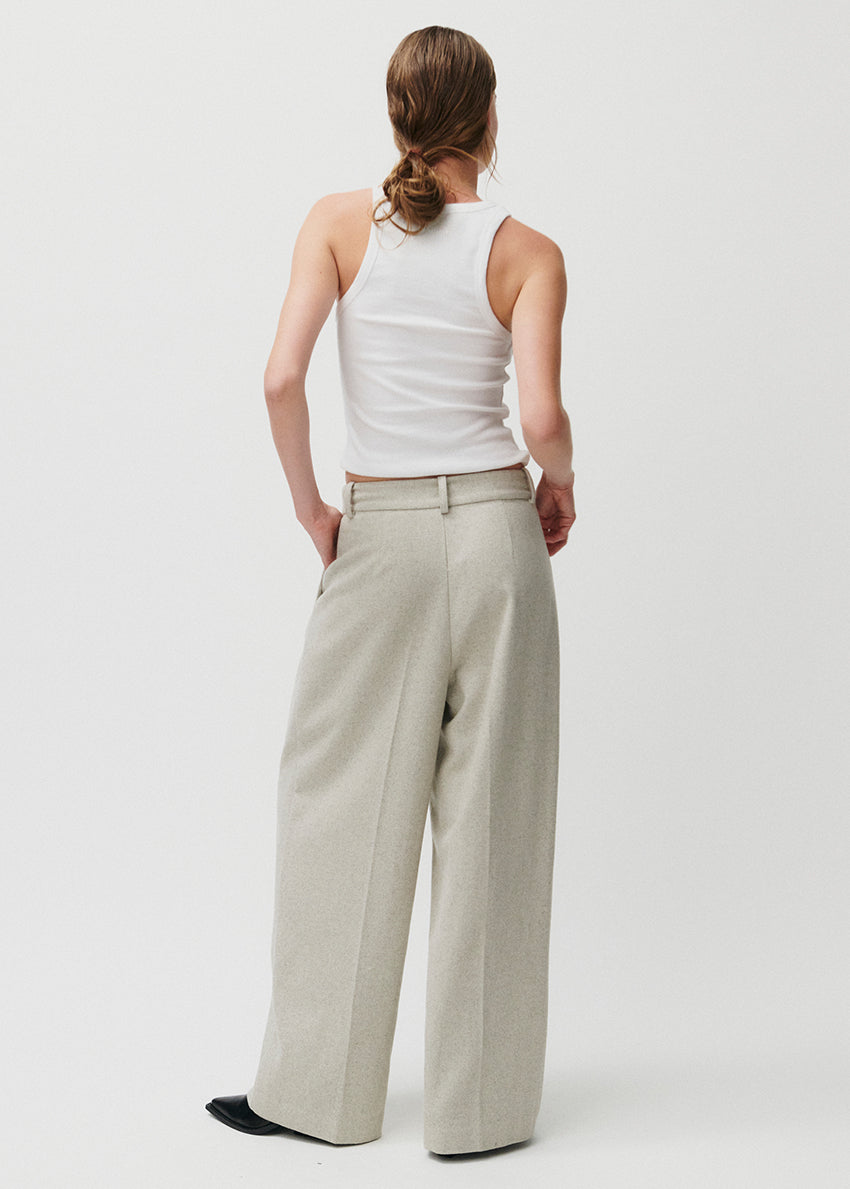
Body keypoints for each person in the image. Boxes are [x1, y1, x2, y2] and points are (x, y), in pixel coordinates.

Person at [206, 24, 576, 1158]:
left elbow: (280, 378)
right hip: (499, 537)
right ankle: (480, 1116)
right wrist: (558, 483)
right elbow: (543, 418)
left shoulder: (335, 225)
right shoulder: (529, 252)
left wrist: (312, 510)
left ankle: (316, 1096)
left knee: (336, 803)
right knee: (497, 819)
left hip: (380, 537)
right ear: (489, 120)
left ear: (397, 114)